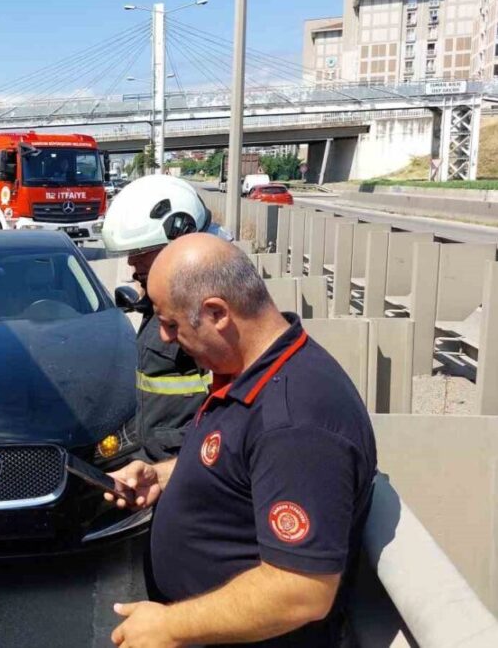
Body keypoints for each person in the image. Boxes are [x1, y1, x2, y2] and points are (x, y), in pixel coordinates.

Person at [105, 233, 377, 647]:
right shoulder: (255, 371)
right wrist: (164, 475)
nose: (165, 337)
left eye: (171, 323)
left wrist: (170, 626)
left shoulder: (295, 423)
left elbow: (301, 591)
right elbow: (242, 463)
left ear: (217, 313)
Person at [101, 175, 230, 462]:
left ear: (178, 241)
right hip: (156, 456)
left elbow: (230, 415)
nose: (131, 261)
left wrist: (184, 467)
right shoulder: (165, 301)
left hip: (186, 463)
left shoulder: (210, 314)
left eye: (140, 252)